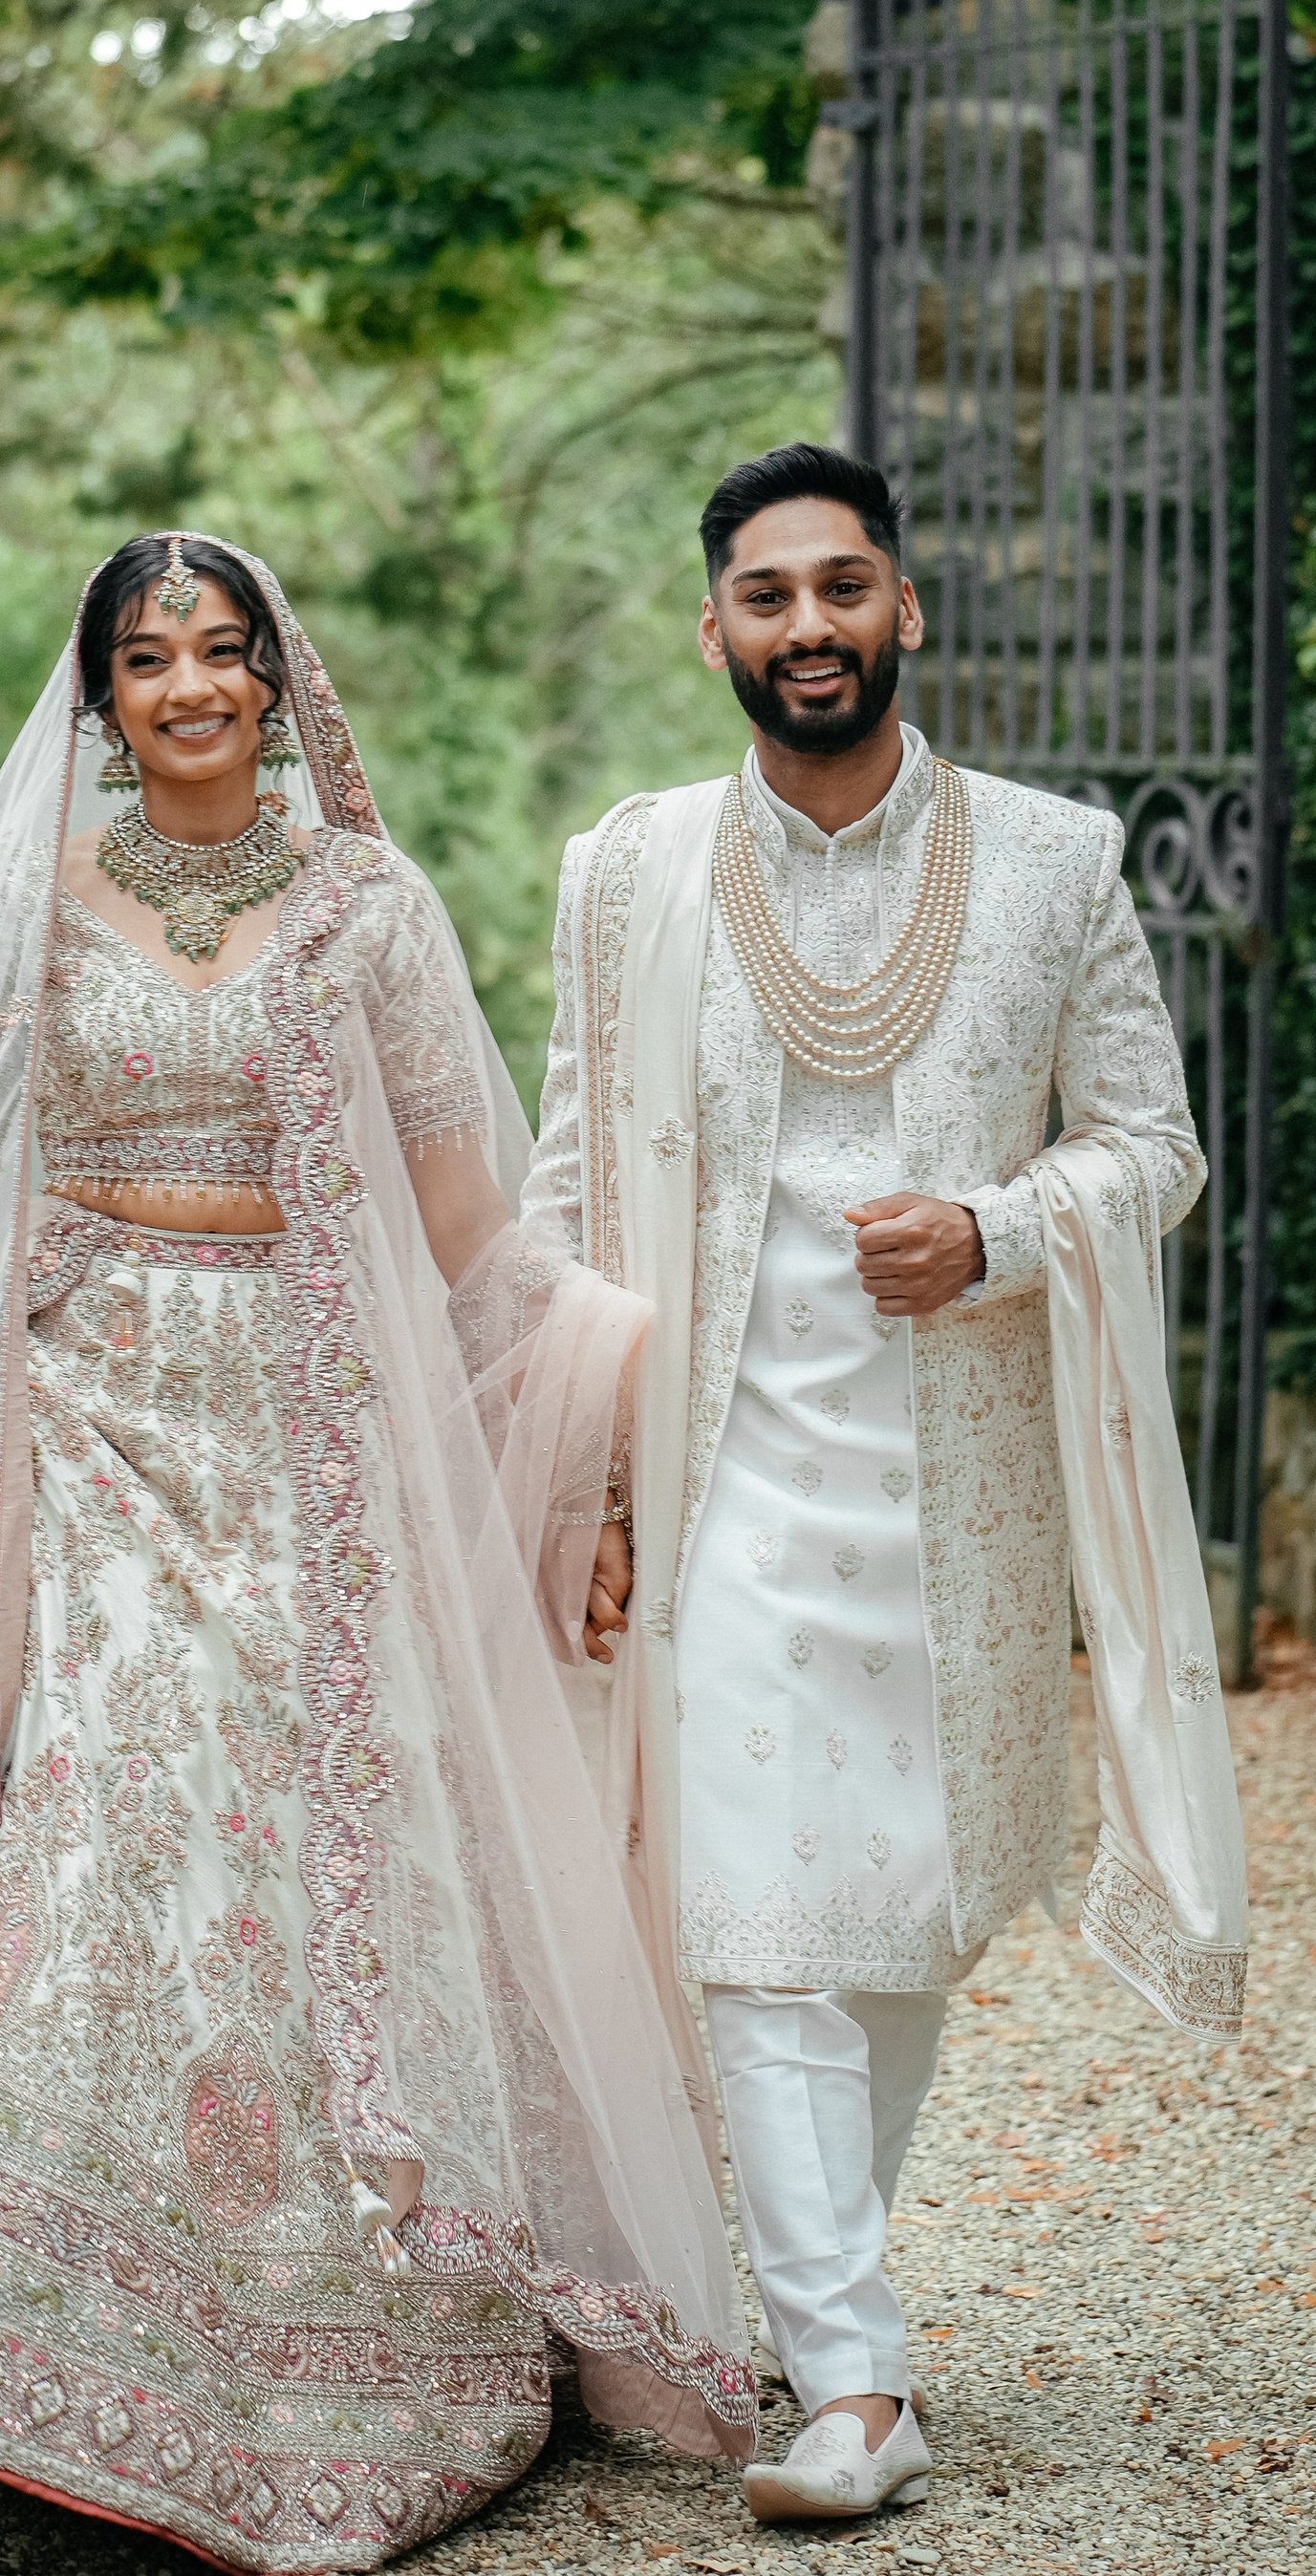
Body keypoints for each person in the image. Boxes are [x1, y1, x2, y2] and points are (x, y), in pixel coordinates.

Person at [0, 534, 755, 2557]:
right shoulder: (31, 902)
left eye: (225, 650)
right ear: (103, 697)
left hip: (306, 1433)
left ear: (277, 683)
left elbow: (467, 1227)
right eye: (150, 657)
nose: (194, 684)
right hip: (73, 1405)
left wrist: (607, 1419)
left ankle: (268, 2364)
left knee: (275, 1848)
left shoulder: (370, 906)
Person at [525, 445, 1249, 2524]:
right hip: (722, 1475)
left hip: (961, 1493)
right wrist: (582, 1483)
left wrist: (997, 1231)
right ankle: (850, 2382)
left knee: (896, 1928)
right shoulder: (628, 874)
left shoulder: (1054, 861)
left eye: (842, 586)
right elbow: (571, 1184)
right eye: (766, 596)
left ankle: (809, 2300)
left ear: (904, 608)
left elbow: (1153, 1147)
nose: (809, 625)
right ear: (713, 633)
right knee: (756, 1923)